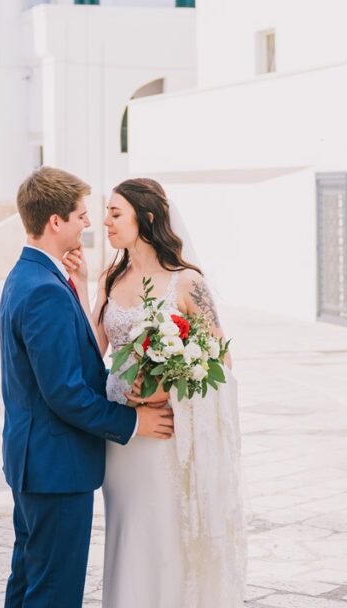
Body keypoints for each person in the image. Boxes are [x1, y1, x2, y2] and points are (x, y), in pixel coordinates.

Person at [65, 177, 247, 608]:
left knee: (165, 531)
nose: (105, 223)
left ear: (145, 218)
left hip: (165, 431)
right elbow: (95, 348)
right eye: (106, 213)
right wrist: (83, 283)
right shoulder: (111, 276)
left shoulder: (186, 283)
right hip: (122, 433)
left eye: (115, 213)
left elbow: (221, 356)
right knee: (128, 530)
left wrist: (166, 384)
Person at [0, 167, 174, 608]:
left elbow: (68, 356)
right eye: (80, 216)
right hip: (56, 468)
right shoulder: (44, 290)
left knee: (28, 582)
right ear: (55, 222)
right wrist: (133, 421)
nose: (90, 223)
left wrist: (79, 288)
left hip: (34, 462)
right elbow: (66, 393)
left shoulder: (31, 277)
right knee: (53, 593)